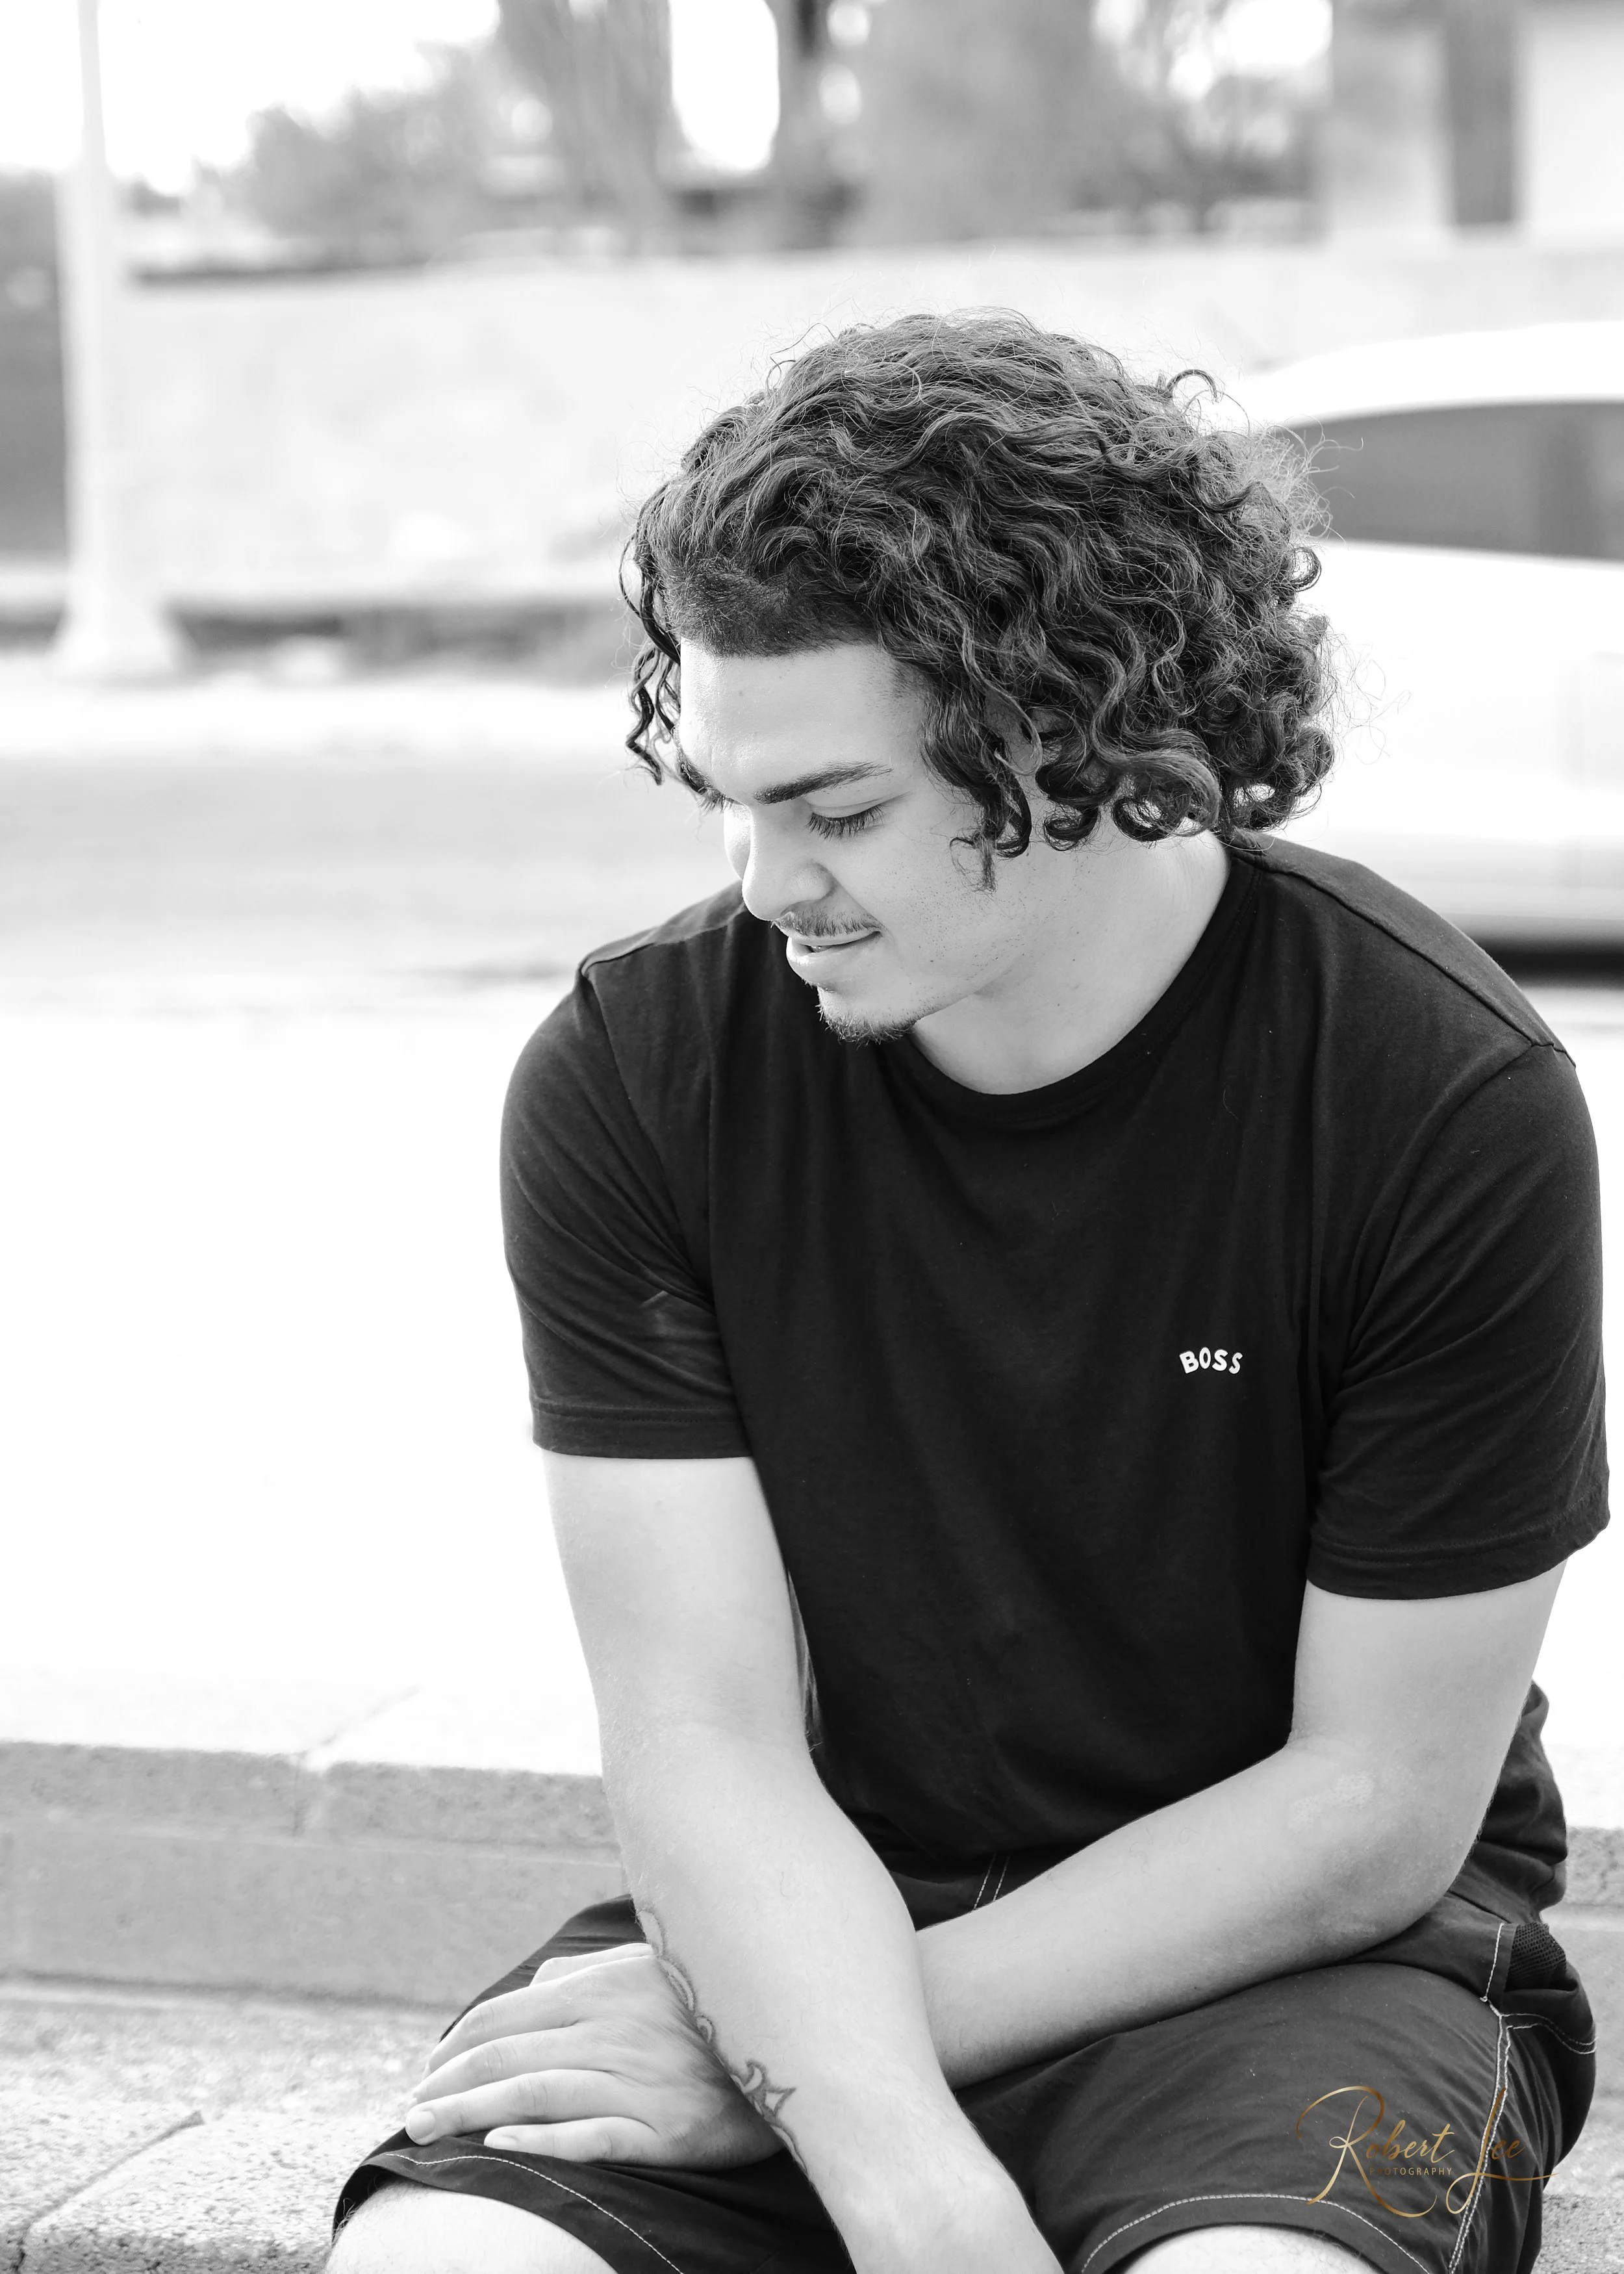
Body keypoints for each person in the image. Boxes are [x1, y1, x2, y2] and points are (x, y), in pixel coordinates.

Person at [329, 313, 1606, 2274]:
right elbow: (707, 1745)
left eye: (837, 813)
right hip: (806, 1914)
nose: (768, 885)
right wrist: (891, 2158)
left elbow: (1369, 1804)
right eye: (729, 803)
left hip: (1308, 1963)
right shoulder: (635, 1070)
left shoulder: (1436, 1089)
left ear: (1078, 737)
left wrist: (820, 2065)